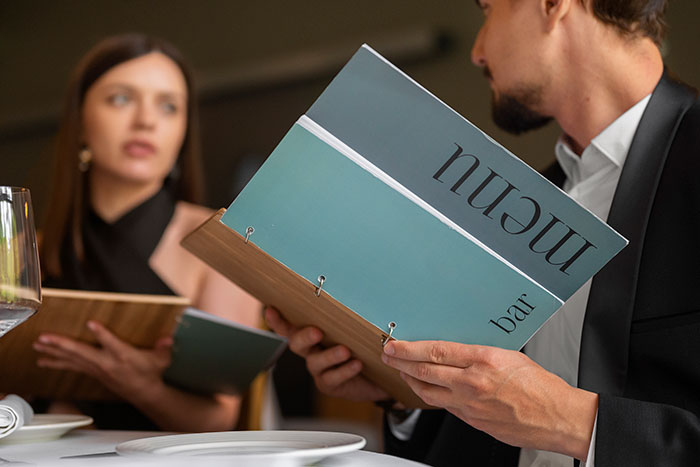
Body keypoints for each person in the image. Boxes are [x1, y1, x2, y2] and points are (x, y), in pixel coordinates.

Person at [266, 0, 700, 465]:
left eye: (488, 9)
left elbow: (544, 411)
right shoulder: (529, 198)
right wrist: (403, 394)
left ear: (552, 6)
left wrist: (573, 421)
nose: (476, 51)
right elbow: (496, 415)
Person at [34, 33, 260, 432]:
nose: (146, 121)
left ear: (183, 131)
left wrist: (138, 385)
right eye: (121, 99)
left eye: (169, 106)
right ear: (80, 122)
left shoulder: (222, 241)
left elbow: (221, 420)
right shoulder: (27, 249)